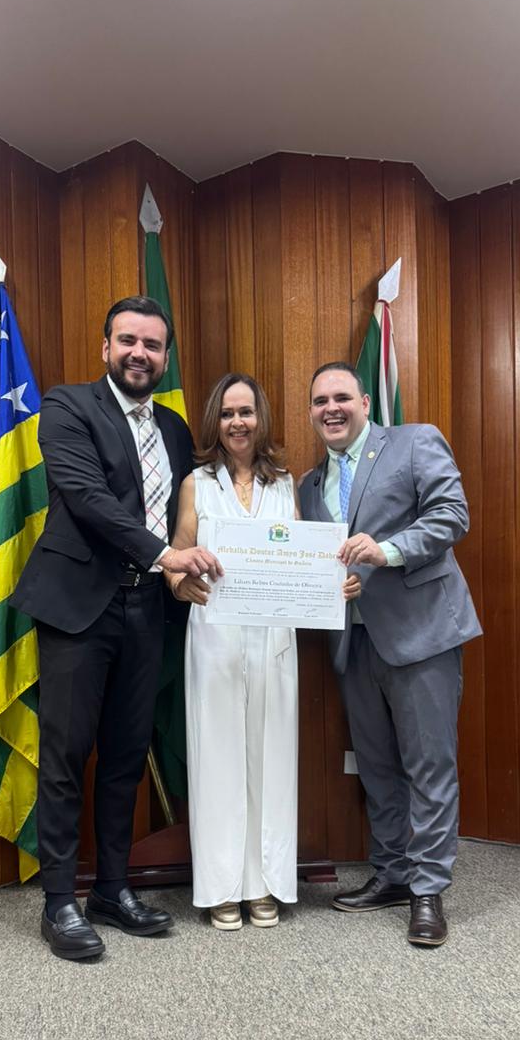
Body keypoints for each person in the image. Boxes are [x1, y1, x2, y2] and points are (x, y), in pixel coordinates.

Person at [11, 296, 222, 961]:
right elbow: (88, 499)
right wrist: (166, 556)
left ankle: (111, 888)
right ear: (106, 347)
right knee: (67, 756)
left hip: (148, 608)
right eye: (128, 340)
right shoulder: (67, 406)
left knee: (127, 757)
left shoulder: (176, 429)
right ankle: (59, 902)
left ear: (165, 357)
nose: (139, 353)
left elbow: (195, 510)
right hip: (81, 604)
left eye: (152, 345)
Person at [167, 372, 361, 929]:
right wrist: (181, 584)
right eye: (228, 413)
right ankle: (223, 887)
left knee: (272, 760)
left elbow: (303, 562)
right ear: (216, 420)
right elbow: (176, 558)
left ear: (261, 419)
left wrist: (336, 585)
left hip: (274, 640)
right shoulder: (196, 484)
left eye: (246, 412)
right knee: (218, 759)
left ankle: (266, 883)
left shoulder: (284, 484)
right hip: (215, 636)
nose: (238, 422)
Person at [298, 362, 481, 947]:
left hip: (422, 633)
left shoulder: (414, 442)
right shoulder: (307, 485)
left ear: (364, 403)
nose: (331, 408)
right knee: (376, 767)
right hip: (353, 641)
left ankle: (428, 889)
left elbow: (452, 515)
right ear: (311, 412)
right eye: (320, 401)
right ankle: (394, 873)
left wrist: (388, 551)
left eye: (341, 397)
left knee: (429, 765)